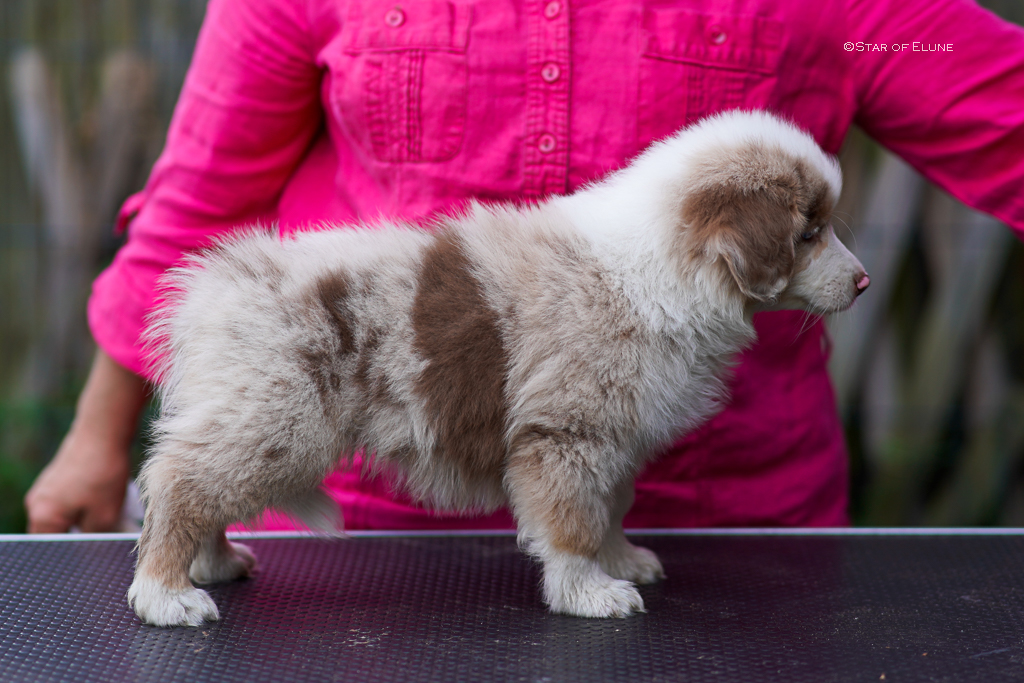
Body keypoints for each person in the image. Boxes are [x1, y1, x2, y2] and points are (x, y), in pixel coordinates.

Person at [25, 0, 1024, 533]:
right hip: (370, 530)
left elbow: (1005, 114)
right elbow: (201, 199)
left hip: (720, 540)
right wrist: (96, 440)